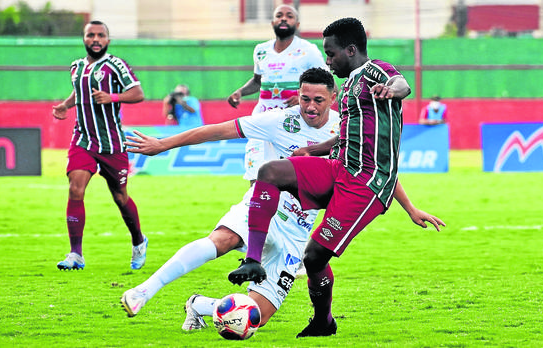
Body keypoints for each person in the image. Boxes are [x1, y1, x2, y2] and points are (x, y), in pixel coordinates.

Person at [227, 18, 446, 338]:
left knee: (314, 257)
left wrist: (391, 89)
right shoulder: (346, 91)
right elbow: (346, 136)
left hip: (366, 184)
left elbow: (403, 85)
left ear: (351, 50)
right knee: (270, 171)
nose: (327, 61)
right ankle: (252, 261)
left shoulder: (375, 71)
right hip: (339, 168)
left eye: (331, 54)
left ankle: (323, 321)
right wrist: (313, 150)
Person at [120, 68, 340, 329]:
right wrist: (162, 144)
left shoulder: (345, 128)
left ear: (333, 98)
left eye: (318, 100)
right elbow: (216, 131)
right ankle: (143, 291)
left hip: (296, 231)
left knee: (257, 316)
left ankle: (199, 305)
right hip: (264, 205)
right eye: (305, 98)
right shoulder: (279, 120)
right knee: (222, 240)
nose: (310, 107)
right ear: (298, 96)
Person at [51, 20, 148, 271]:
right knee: (75, 189)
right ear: (84, 39)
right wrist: (65, 105)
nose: (95, 39)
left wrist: (113, 97)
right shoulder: (76, 67)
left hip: (112, 143)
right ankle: (76, 254)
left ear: (108, 40)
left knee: (120, 196)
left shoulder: (116, 65)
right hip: (83, 140)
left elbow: (137, 93)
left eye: (100, 35)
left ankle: (138, 240)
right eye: (90, 35)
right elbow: (78, 91)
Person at [226, 4, 328, 184]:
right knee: (257, 175)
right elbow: (258, 81)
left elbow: (329, 85)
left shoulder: (308, 50)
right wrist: (240, 92)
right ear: (273, 22)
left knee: (289, 180)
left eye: (289, 16)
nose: (283, 18)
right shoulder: (261, 50)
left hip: (292, 123)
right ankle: (255, 207)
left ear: (297, 24)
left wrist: (304, 99)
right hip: (260, 120)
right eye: (279, 15)